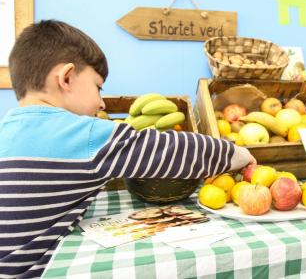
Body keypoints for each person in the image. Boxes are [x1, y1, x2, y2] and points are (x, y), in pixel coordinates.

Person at [0, 20, 256, 278]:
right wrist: (238, 154)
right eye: (98, 87)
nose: (101, 102)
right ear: (66, 78)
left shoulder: (6, 129)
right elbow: (170, 150)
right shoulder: (83, 134)